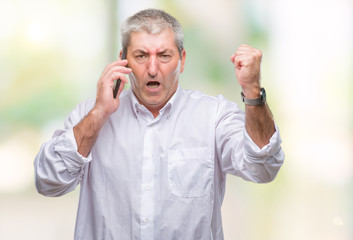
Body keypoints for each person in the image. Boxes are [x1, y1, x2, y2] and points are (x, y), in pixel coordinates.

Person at [34, 8, 284, 240]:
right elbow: (48, 181)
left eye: (164, 56)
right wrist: (100, 112)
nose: (153, 69)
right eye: (141, 56)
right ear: (123, 60)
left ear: (182, 60)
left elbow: (262, 168)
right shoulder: (89, 115)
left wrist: (252, 89)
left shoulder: (214, 116)